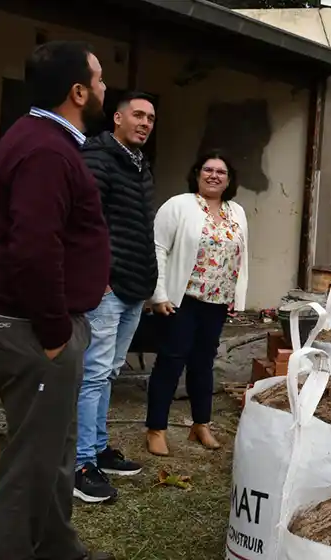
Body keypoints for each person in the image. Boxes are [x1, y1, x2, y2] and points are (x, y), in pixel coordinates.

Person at [0, 41, 115, 560]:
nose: (103, 89)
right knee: (33, 458)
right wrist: (54, 333)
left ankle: (56, 547)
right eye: (97, 81)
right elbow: (33, 247)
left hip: (32, 321)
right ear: (77, 92)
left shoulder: (43, 141)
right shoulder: (47, 150)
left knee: (55, 448)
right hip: (31, 326)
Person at [70, 92, 157, 503]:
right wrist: (98, 277)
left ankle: (99, 449)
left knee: (108, 373)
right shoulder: (97, 156)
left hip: (135, 287)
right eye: (137, 115)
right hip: (107, 288)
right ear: (118, 118)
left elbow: (138, 228)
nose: (145, 123)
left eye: (151, 118)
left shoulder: (140, 165)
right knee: (92, 375)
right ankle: (80, 464)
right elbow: (84, 222)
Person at [143, 151, 249, 457]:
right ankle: (156, 429)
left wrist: (237, 297)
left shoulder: (236, 212)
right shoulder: (179, 205)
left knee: (204, 364)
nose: (214, 175)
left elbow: (242, 256)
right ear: (197, 173)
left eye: (221, 172)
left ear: (229, 180)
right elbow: (158, 249)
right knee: (171, 362)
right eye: (208, 169)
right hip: (181, 301)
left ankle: (200, 424)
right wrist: (158, 294)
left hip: (216, 302)